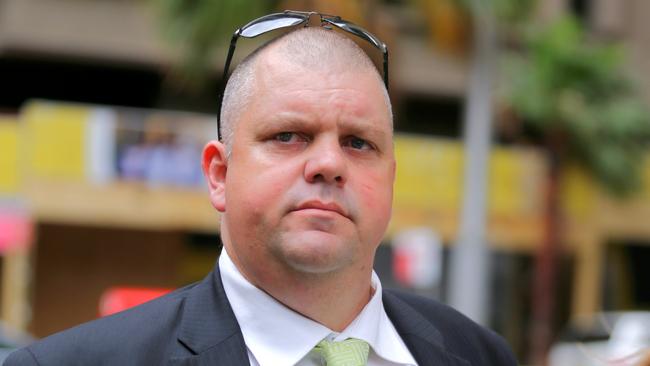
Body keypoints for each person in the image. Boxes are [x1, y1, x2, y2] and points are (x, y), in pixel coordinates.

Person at [4, 16, 517, 366]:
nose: (329, 164)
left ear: (391, 179)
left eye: (359, 143)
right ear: (219, 174)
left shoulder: (478, 354)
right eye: (288, 136)